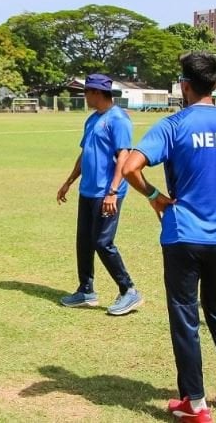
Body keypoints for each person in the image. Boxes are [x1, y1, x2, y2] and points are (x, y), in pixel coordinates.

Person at [122, 52, 216, 422]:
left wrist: (155, 195)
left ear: (184, 86)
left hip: (183, 235)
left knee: (186, 317)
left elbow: (130, 168)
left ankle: (196, 403)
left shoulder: (173, 125)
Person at [56, 73, 141, 316]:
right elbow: (85, 154)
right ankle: (86, 290)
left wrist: (113, 191)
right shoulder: (92, 120)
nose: (84, 97)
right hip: (88, 191)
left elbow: (123, 157)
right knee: (84, 241)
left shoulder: (119, 120)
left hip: (107, 192)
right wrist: (69, 182)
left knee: (103, 242)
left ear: (96, 93)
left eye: (86, 93)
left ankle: (129, 290)